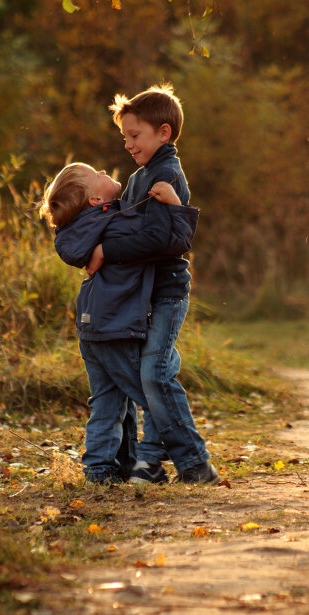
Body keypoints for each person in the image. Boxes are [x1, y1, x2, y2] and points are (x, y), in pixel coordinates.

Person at [85, 83, 219, 485]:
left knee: (154, 374)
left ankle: (195, 464)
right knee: (153, 373)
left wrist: (106, 251)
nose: (127, 143)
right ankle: (147, 462)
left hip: (167, 290)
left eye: (134, 135)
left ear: (163, 132)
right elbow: (129, 226)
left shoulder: (166, 173)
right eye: (124, 136)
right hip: (142, 292)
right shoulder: (139, 176)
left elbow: (161, 239)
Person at [40, 162, 199, 484]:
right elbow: (166, 240)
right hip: (117, 325)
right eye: (96, 174)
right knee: (153, 394)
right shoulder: (117, 223)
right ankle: (152, 461)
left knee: (107, 403)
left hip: (92, 325)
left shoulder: (83, 230)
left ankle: (101, 469)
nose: (103, 172)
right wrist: (176, 207)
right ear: (96, 201)